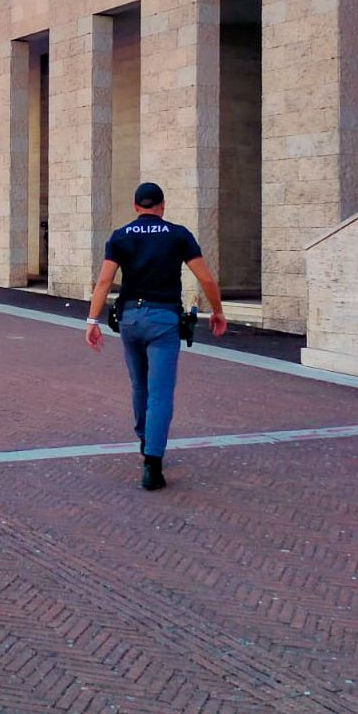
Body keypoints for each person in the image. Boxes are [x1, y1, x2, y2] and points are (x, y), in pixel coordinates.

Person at [85, 182, 226, 490]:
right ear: (162, 206)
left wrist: (92, 320)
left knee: (140, 384)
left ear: (136, 207)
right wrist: (217, 311)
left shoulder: (121, 236)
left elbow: (104, 281)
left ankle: (144, 439)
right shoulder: (178, 235)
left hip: (130, 318)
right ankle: (153, 464)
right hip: (163, 319)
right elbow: (205, 278)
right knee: (160, 392)